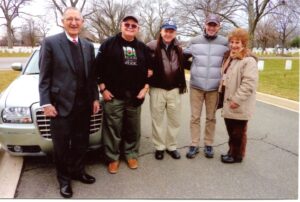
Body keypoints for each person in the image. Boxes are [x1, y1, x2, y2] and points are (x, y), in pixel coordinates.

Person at [39, 7, 100, 198]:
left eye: (77, 19)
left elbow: (91, 77)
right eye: (70, 19)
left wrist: (95, 98)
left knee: (82, 143)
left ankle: (78, 171)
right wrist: (46, 103)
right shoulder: (50, 43)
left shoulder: (87, 46)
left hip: (83, 106)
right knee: (62, 147)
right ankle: (64, 180)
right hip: (60, 106)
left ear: (82, 23)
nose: (74, 23)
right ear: (63, 21)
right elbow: (44, 77)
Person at [95, 15, 151, 174]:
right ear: (121, 25)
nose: (130, 27)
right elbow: (97, 69)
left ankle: (131, 154)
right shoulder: (108, 44)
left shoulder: (142, 48)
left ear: (138, 29)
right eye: (127, 24)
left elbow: (150, 71)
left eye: (134, 25)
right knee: (113, 129)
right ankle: (113, 158)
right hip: (113, 96)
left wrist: (145, 88)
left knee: (133, 128)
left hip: (135, 96)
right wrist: (103, 89)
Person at [184, 14, 228, 159]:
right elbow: (182, 57)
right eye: (209, 24)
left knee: (211, 117)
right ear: (205, 25)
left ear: (218, 27)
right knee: (195, 117)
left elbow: (235, 55)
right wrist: (194, 69)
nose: (211, 27)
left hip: (214, 88)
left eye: (214, 25)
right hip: (196, 86)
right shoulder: (195, 41)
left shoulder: (225, 43)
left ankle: (208, 144)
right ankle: (194, 144)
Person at [146, 19, 187, 160]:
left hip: (174, 89)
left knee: (174, 120)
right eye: (166, 30)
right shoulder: (151, 46)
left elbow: (186, 64)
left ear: (175, 33)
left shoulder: (179, 48)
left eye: (172, 31)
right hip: (157, 89)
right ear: (161, 31)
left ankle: (172, 146)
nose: (168, 34)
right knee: (157, 119)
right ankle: (159, 147)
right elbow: (143, 63)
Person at [219, 28, 258, 163]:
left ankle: (236, 156)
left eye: (237, 42)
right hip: (229, 102)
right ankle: (232, 152)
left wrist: (237, 99)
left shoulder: (249, 61)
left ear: (244, 44)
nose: (234, 45)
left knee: (238, 132)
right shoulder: (232, 58)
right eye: (232, 42)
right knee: (232, 131)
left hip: (239, 103)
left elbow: (248, 84)